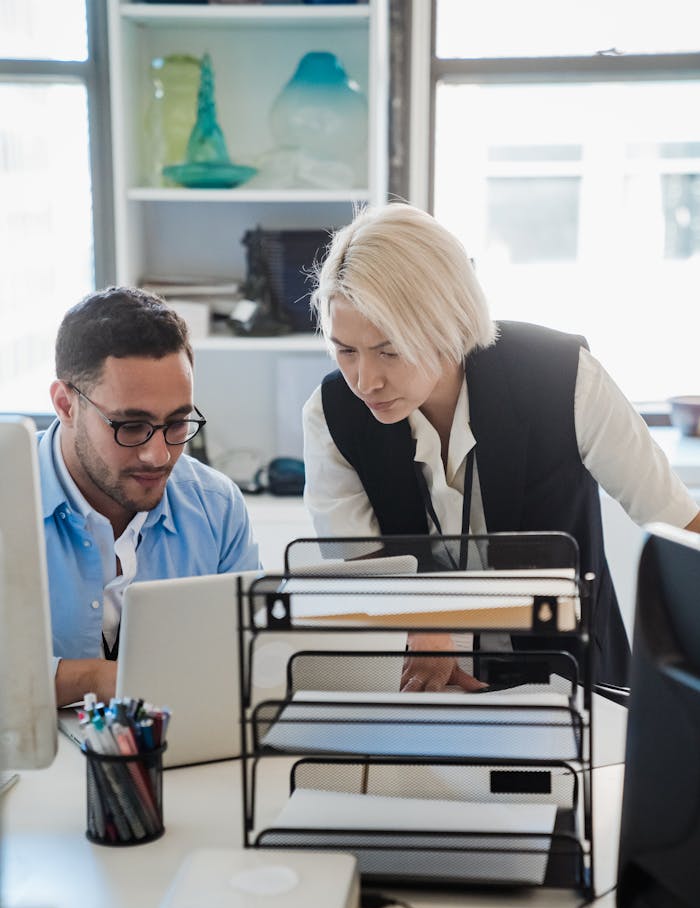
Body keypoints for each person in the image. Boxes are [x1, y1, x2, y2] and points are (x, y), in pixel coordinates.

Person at [302, 203, 700, 691]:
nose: (365, 381)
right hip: (427, 686)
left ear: (448, 323)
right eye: (346, 351)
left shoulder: (563, 377)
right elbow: (360, 569)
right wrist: (420, 622)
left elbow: (681, 523)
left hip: (574, 681)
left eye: (389, 350)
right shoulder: (331, 414)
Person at [41, 286, 261, 707]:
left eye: (177, 423)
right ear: (66, 405)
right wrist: (99, 679)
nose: (158, 455)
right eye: (130, 425)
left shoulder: (217, 508)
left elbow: (249, 660)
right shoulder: (9, 502)